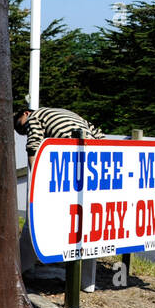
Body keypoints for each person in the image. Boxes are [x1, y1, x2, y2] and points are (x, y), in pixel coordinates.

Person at [14, 106, 105, 291]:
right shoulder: (69, 113)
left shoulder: (36, 116)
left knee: (36, 221)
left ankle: (19, 270)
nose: (24, 131)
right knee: (86, 226)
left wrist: (40, 183)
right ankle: (87, 283)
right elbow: (99, 135)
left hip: (70, 164)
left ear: (25, 114)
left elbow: (33, 147)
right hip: (94, 164)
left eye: (21, 127)